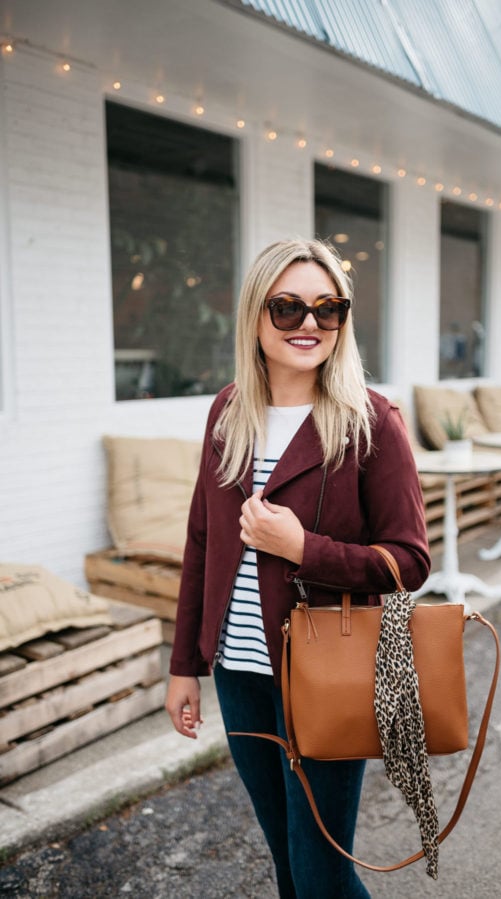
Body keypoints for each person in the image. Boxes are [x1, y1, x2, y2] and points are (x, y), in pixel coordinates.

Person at [166, 238, 430, 898]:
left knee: (320, 871)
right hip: (240, 670)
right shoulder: (228, 412)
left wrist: (303, 548)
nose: (309, 324)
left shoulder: (372, 421)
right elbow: (202, 541)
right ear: (256, 317)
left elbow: (410, 560)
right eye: (287, 308)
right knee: (288, 856)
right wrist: (183, 665)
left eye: (327, 308)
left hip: (327, 672)